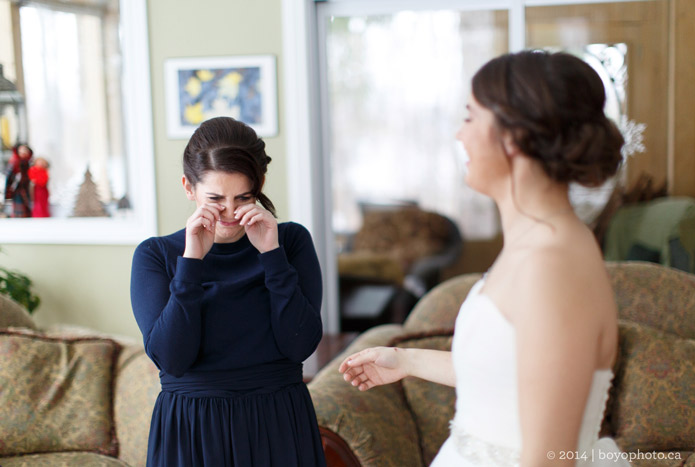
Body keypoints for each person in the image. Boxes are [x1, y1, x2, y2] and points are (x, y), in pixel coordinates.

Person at [339, 50, 630, 467]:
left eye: (470, 116)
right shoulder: (532, 245)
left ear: (513, 137)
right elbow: (510, 376)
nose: (460, 135)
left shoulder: (553, 266)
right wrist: (406, 360)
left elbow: (549, 459)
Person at [130, 116, 326, 467]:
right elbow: (172, 359)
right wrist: (191, 261)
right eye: (216, 199)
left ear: (260, 184)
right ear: (189, 188)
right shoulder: (155, 255)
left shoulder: (291, 242)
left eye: (244, 197)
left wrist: (272, 256)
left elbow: (300, 346)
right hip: (192, 429)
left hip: (279, 421)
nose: (231, 213)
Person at [4, 143, 33, 217]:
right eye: (22, 150)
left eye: (25, 150)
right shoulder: (14, 161)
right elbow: (8, 175)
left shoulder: (29, 162)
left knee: (27, 204)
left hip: (26, 188)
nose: (24, 152)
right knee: (18, 204)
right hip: (16, 188)